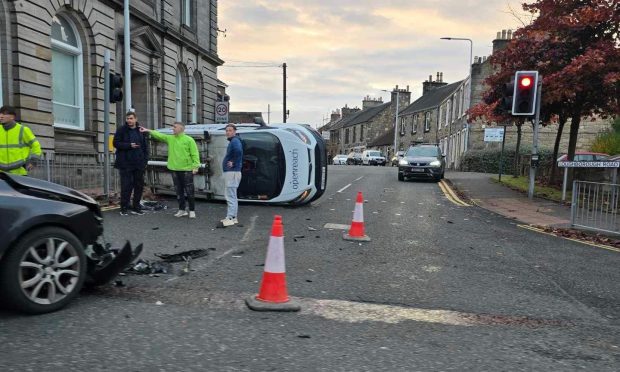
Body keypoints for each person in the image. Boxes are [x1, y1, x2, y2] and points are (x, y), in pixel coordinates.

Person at [140, 122, 200, 218]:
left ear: (181, 129)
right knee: (178, 191)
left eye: (175, 127)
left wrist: (195, 167)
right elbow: (160, 135)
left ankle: (192, 210)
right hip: (174, 169)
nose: (173, 129)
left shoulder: (189, 140)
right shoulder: (171, 138)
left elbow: (195, 154)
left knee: (189, 191)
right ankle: (182, 210)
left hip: (186, 170)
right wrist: (148, 130)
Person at [113, 111, 149, 216]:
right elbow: (116, 143)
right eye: (127, 118)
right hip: (125, 163)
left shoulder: (140, 130)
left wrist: (145, 160)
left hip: (139, 163)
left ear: (135, 119)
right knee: (126, 186)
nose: (129, 120)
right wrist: (129, 145)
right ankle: (124, 207)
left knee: (139, 186)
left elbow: (145, 147)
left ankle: (136, 206)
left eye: (131, 118)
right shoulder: (121, 130)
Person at [0, 105, 42, 176]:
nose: (1, 116)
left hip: (19, 172)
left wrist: (33, 161)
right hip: (1, 173)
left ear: (12, 117)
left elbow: (36, 146)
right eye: (0, 113)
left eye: (4, 114)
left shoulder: (23, 130)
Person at [221, 123, 243, 226]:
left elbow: (238, 151)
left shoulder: (235, 141)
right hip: (233, 172)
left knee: (230, 196)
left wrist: (233, 162)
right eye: (227, 130)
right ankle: (233, 217)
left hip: (232, 173)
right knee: (232, 196)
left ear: (234, 132)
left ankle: (230, 218)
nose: (228, 132)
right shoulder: (235, 141)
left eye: (230, 130)